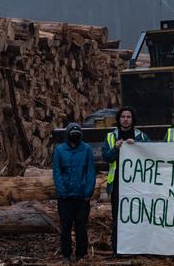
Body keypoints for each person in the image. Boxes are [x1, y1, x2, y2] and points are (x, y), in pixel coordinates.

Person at [102, 106, 150, 257]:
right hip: (117, 184)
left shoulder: (141, 137)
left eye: (128, 117)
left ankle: (138, 248)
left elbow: (151, 154)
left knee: (139, 216)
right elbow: (106, 157)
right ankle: (117, 249)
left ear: (132, 119)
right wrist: (116, 149)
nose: (125, 119)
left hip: (138, 184)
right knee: (118, 218)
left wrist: (138, 146)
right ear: (119, 119)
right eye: (123, 116)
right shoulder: (111, 137)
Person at [52, 122, 96, 262]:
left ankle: (81, 254)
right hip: (65, 197)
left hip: (82, 196)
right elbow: (57, 173)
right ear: (67, 135)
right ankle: (66, 253)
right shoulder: (59, 150)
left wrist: (88, 192)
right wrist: (61, 192)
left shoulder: (86, 149)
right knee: (65, 226)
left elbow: (90, 171)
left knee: (81, 225)